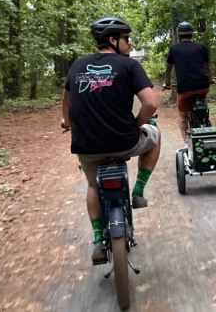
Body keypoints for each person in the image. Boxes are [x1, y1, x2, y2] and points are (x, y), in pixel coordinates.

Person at [61, 17, 161, 264]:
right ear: (114, 40)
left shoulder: (77, 66)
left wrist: (68, 123)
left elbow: (66, 101)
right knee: (155, 134)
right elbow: (151, 104)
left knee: (93, 186)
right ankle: (137, 191)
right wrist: (138, 124)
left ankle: (97, 239)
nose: (129, 43)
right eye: (126, 39)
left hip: (86, 145)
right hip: (125, 141)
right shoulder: (129, 66)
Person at [164, 22, 214, 148]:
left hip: (185, 88)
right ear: (191, 34)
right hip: (203, 85)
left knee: (182, 115)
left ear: (179, 35)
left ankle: (186, 143)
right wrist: (210, 79)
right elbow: (206, 67)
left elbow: (169, 68)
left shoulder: (174, 48)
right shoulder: (200, 47)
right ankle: (205, 122)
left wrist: (168, 83)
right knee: (203, 105)